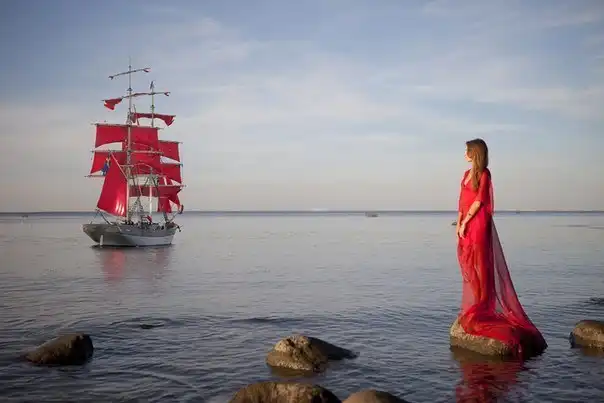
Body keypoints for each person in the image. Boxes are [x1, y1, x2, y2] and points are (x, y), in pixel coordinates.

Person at [456, 138, 547, 358]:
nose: (464, 154)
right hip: (466, 223)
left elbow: (479, 201)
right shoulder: (465, 174)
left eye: (467, 151)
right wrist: (458, 223)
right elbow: (462, 201)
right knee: (469, 264)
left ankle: (482, 306)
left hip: (478, 223)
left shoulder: (484, 174)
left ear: (475, 153)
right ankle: (477, 304)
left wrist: (466, 222)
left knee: (481, 264)